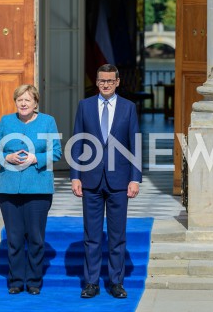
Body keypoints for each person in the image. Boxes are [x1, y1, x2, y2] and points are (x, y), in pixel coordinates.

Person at [70, 64, 142, 299]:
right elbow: (77, 142)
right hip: (90, 180)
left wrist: (135, 179)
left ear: (118, 82)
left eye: (110, 81)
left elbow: (135, 145)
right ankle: (91, 283)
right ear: (97, 81)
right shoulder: (85, 106)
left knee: (117, 235)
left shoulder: (129, 108)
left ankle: (116, 282)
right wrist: (75, 176)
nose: (106, 85)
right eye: (102, 81)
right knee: (91, 235)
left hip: (119, 181)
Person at [0, 84, 62, 295]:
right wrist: (7, 157)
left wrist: (35, 158)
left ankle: (34, 281)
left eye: (27, 100)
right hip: (9, 189)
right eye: (20, 99)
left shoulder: (48, 122)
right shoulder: (6, 121)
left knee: (36, 238)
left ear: (35, 103)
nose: (23, 103)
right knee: (14, 237)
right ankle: (16, 281)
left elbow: (56, 152)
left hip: (38, 189)